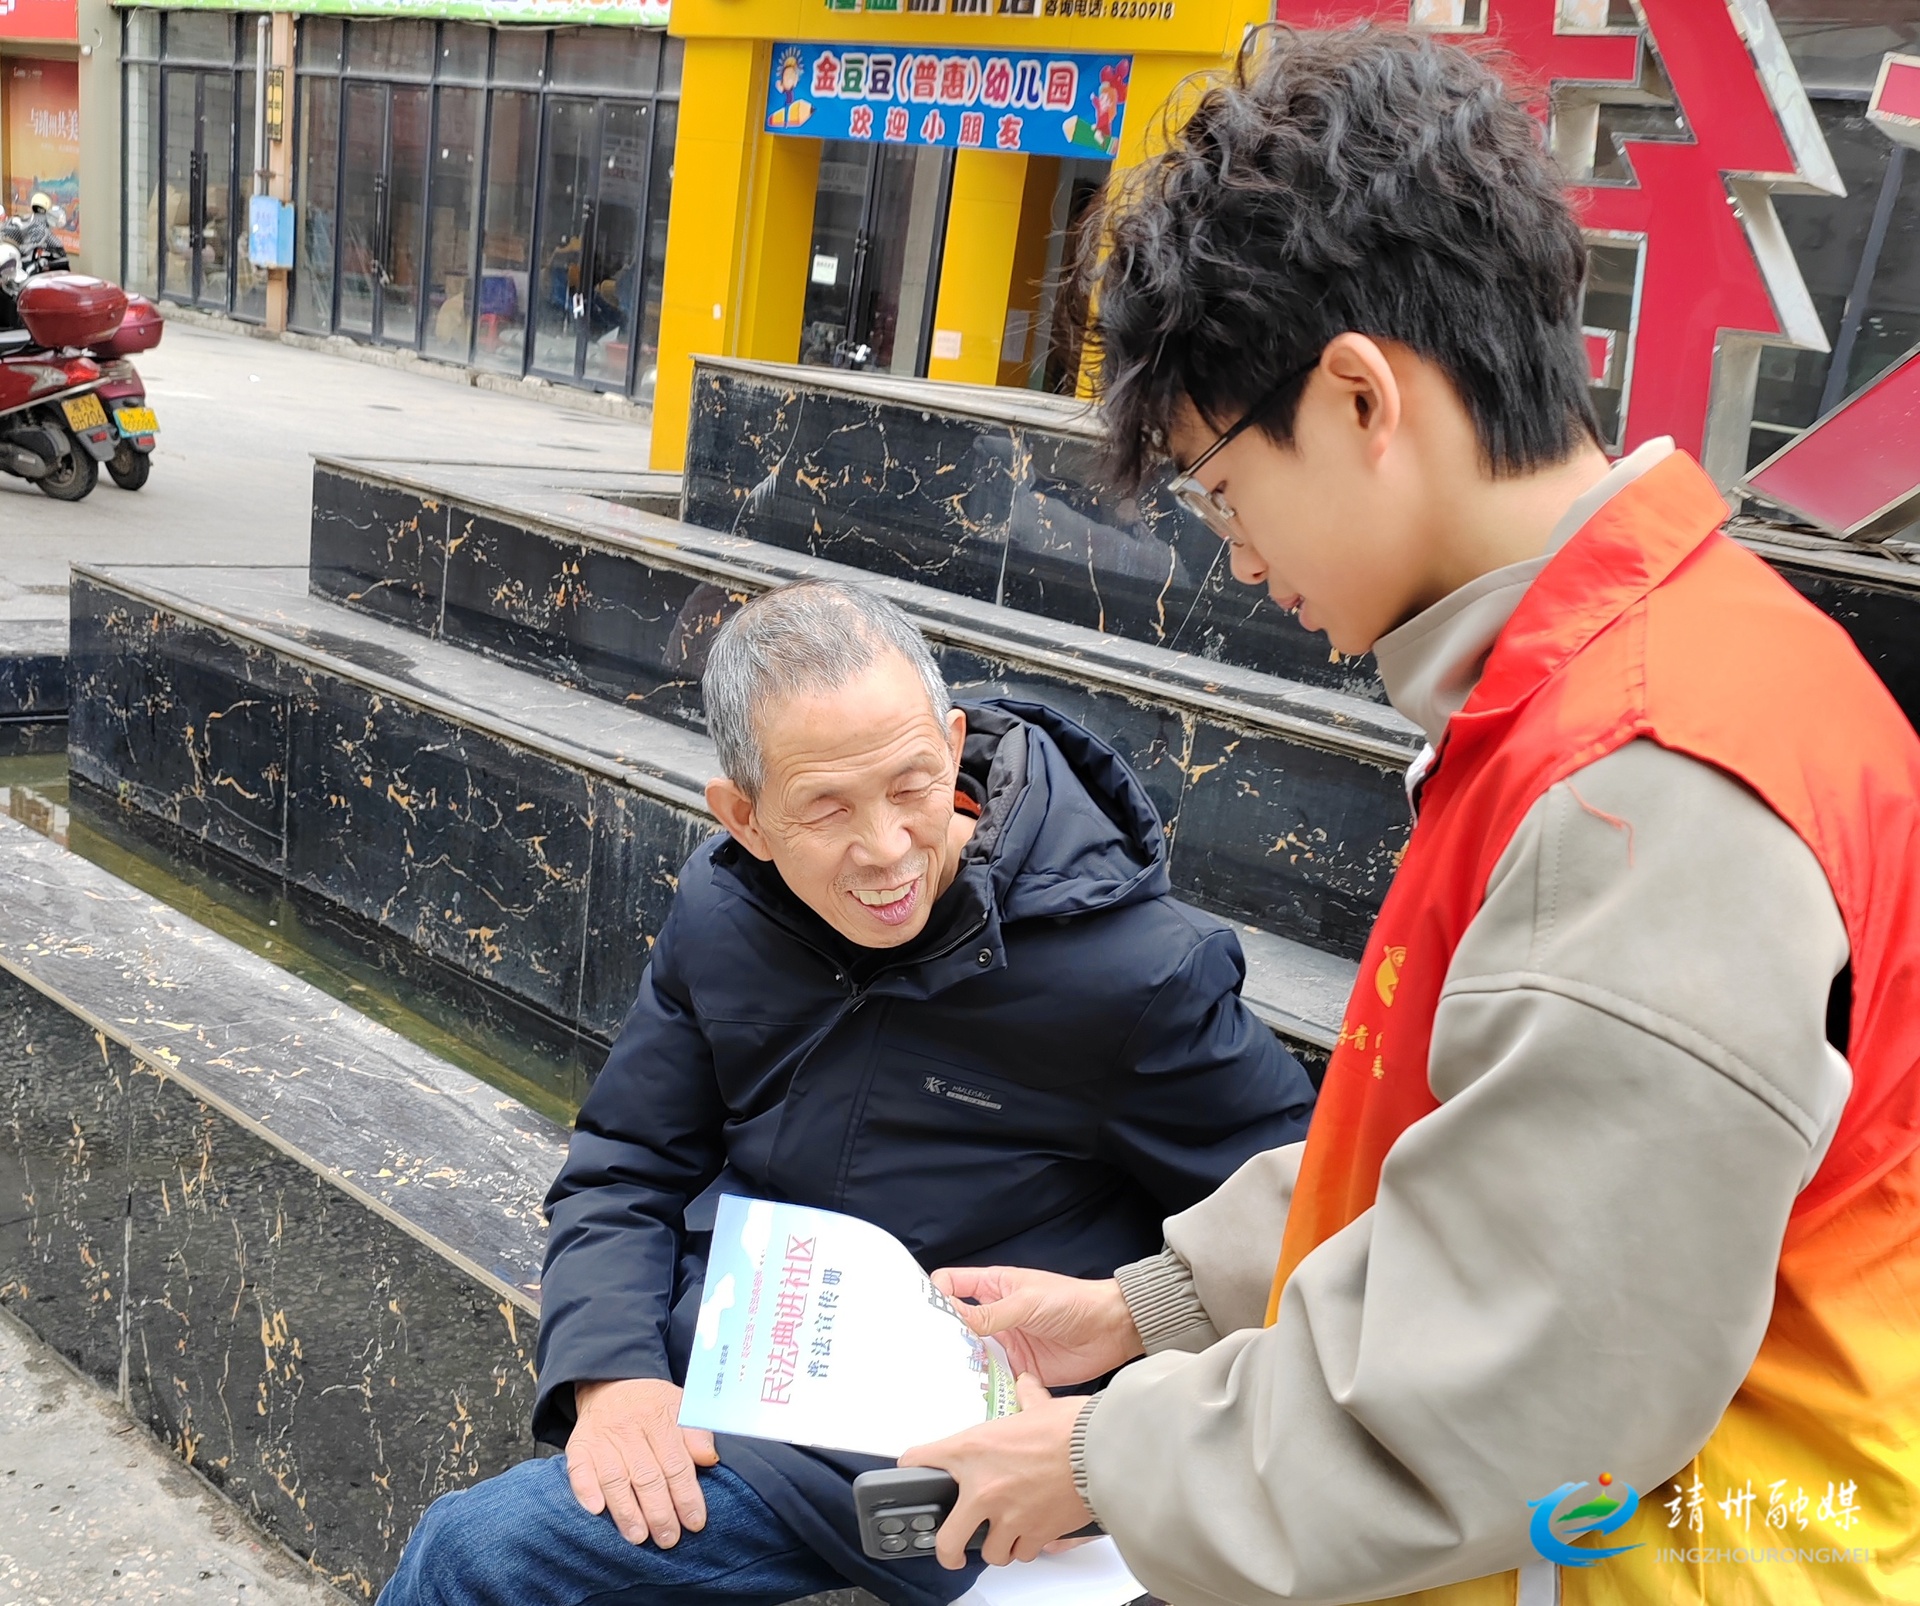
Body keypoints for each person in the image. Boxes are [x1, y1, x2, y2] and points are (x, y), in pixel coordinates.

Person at [897, 26, 1920, 1606]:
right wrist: (1158, 1301)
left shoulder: (1655, 776)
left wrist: (1102, 1459)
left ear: (1363, 394)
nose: (1237, 560)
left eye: (1222, 489)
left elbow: (1516, 1380)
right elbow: (1485, 1140)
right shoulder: (1631, 673)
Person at [377, 578, 1317, 1606]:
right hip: (743, 1387)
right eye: (824, 807)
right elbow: (627, 1166)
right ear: (744, 816)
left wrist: (1115, 1408)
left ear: (952, 745)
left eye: (913, 785)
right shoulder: (722, 911)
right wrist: (611, 1373)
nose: (884, 848)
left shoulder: (1137, 972)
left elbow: (1308, 1211)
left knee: (482, 1549)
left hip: (975, 1452)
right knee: (474, 1549)